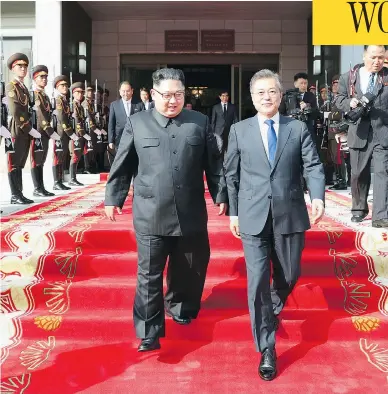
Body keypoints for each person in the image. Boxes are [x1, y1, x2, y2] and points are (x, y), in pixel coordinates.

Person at [105, 68, 228, 352]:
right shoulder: (138, 123)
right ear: (154, 93)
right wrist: (114, 197)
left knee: (189, 266)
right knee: (148, 274)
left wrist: (221, 193)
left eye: (178, 95)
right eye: (166, 95)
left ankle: (181, 307)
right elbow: (122, 165)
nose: (172, 101)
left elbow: (214, 163)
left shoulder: (199, 121)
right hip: (151, 212)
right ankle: (149, 330)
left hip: (190, 211)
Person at [224, 69, 325, 381]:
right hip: (253, 215)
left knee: (291, 273)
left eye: (272, 92)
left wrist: (318, 196)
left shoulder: (297, 128)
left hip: (290, 211)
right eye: (260, 93)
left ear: (281, 95)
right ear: (252, 98)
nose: (266, 97)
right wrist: (234, 212)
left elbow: (313, 164)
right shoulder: (239, 130)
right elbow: (231, 173)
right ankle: (267, 347)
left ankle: (270, 310)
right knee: (256, 283)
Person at [334, 45, 388, 228]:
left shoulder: (387, 76)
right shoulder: (349, 77)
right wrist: (351, 102)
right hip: (358, 131)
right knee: (358, 173)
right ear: (364, 55)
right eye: (373, 57)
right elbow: (338, 100)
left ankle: (381, 215)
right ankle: (359, 209)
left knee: (383, 173)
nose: (377, 61)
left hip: (383, 131)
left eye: (381, 57)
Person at [5, 53, 35, 204]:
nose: (23, 69)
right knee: (14, 161)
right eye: (19, 66)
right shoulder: (12, 86)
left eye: (25, 66)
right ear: (12, 68)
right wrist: (27, 127)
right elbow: (15, 110)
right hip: (16, 128)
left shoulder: (23, 87)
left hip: (24, 129)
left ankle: (19, 193)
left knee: (21, 162)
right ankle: (14, 194)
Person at [30, 65, 60, 197]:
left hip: (44, 134)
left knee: (41, 160)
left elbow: (48, 113)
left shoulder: (45, 96)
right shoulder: (36, 95)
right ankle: (37, 188)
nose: (44, 79)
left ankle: (41, 186)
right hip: (38, 132)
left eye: (46, 77)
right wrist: (50, 130)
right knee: (36, 160)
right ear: (35, 79)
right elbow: (41, 115)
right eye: (41, 77)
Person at [108, 81, 143, 152]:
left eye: (128, 91)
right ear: (120, 92)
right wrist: (111, 141)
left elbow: (143, 122)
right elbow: (111, 123)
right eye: (123, 91)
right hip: (119, 140)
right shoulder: (114, 105)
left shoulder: (139, 104)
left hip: (136, 139)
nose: (125, 93)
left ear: (132, 91)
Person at [211, 90, 238, 157]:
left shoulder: (232, 107)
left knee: (229, 148)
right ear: (220, 97)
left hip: (229, 131)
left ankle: (228, 164)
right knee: (220, 148)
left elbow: (235, 119)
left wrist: (236, 131)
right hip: (218, 131)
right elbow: (213, 121)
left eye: (226, 96)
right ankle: (220, 165)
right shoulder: (216, 107)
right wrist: (212, 132)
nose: (225, 97)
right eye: (223, 96)